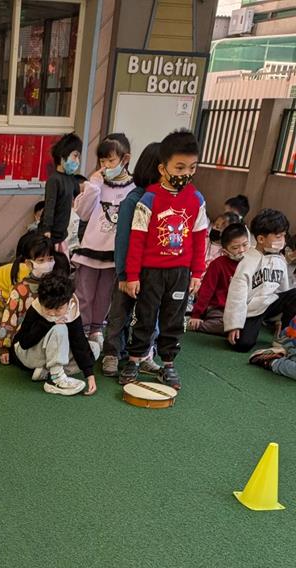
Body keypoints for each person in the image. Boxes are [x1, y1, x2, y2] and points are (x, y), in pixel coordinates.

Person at [119, 130, 208, 390]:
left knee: (173, 319)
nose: (186, 173)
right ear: (163, 168)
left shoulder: (196, 199)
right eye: (179, 167)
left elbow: (200, 238)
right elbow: (136, 241)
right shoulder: (148, 199)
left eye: (192, 167)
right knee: (144, 317)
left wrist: (197, 273)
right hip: (151, 272)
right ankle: (134, 360)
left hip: (180, 273)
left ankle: (168, 364)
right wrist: (132, 276)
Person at [101, 141, 162, 377]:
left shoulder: (166, 200)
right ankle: (112, 353)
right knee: (120, 312)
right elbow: (123, 240)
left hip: (154, 271)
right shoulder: (133, 200)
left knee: (150, 314)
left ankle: (145, 353)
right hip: (129, 271)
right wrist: (124, 274)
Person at [72, 133, 135, 349]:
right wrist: (93, 186)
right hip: (90, 248)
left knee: (104, 295)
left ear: (125, 159)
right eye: (102, 160)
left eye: (111, 160)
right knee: (84, 292)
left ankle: (96, 329)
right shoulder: (97, 183)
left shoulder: (133, 188)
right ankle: (81, 328)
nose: (106, 165)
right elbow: (82, 213)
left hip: (114, 253)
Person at [10, 272, 97, 395]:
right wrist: (49, 323)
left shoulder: (72, 310)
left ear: (68, 302)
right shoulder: (36, 307)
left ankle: (46, 372)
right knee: (60, 329)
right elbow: (24, 342)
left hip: (52, 354)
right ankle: (56, 379)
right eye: (47, 308)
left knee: (94, 349)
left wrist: (90, 375)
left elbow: (79, 343)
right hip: (29, 353)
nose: (52, 313)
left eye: (58, 309)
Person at [223, 208, 296, 353]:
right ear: (261, 239)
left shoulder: (280, 259)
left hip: (271, 303)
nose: (283, 240)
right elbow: (236, 297)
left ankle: (284, 335)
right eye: (278, 236)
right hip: (251, 309)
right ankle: (225, 325)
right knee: (242, 345)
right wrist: (234, 325)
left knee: (294, 293)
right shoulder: (247, 262)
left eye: (284, 235)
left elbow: (285, 290)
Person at [0, 238, 61, 364]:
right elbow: (9, 318)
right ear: (29, 264)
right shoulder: (20, 290)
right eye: (41, 260)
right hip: (27, 339)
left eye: (50, 259)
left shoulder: (57, 285)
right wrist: (3, 348)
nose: (47, 264)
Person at [188, 223, 249, 335]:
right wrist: (196, 314)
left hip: (241, 310)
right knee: (227, 325)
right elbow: (206, 291)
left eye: (245, 245)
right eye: (235, 247)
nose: (241, 250)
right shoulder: (218, 264)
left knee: (244, 327)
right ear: (225, 250)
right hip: (219, 309)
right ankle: (192, 324)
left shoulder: (251, 263)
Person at [41, 133, 83, 248]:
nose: (77, 161)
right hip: (51, 235)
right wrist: (46, 229)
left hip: (62, 235)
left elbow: (80, 196)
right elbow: (49, 205)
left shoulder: (71, 178)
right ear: (63, 156)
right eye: (75, 156)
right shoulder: (54, 180)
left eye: (78, 157)